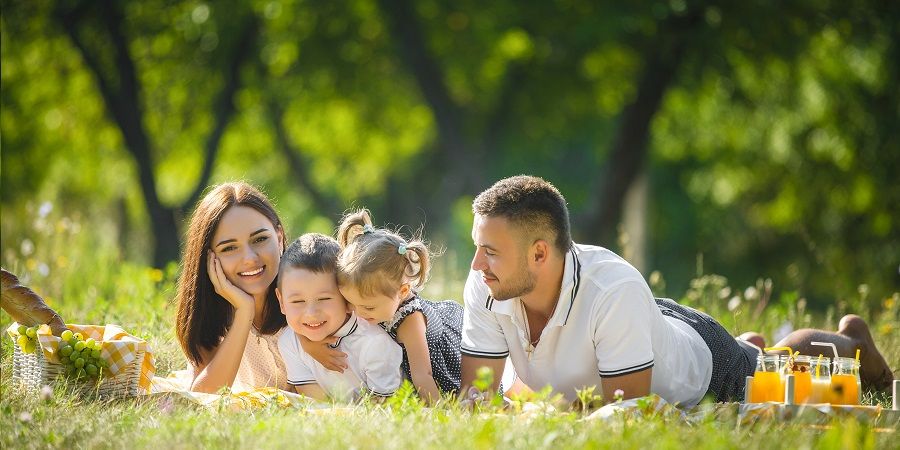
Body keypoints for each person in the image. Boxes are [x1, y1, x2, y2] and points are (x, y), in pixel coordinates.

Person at [460, 175, 894, 407]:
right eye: (478, 249)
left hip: (708, 370)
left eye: (491, 252)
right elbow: (475, 397)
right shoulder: (487, 284)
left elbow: (623, 415)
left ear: (539, 254)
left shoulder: (612, 290)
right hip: (646, 328)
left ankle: (855, 342)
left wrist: (534, 408)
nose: (477, 264)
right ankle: (753, 346)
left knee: (788, 382)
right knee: (769, 364)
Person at [174, 182, 344, 393]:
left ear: (279, 238)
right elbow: (202, 396)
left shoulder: (312, 295)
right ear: (209, 259)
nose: (249, 258)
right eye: (229, 248)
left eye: (260, 239)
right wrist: (244, 313)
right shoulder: (212, 316)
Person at [336, 209, 464, 402]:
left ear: (403, 292)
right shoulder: (372, 304)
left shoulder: (411, 321)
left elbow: (423, 375)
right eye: (351, 303)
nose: (359, 313)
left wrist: (441, 413)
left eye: (368, 308)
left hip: (437, 372)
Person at [277, 233, 403, 401]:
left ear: (346, 297)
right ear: (281, 301)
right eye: (297, 301)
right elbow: (315, 403)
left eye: (324, 299)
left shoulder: (374, 343)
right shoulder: (289, 342)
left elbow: (385, 408)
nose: (311, 313)